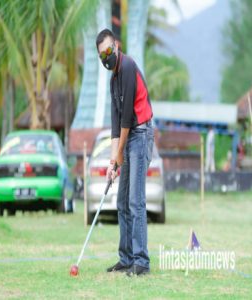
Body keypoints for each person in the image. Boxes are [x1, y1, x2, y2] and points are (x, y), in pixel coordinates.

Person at [96, 29, 154, 276]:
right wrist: (112, 161)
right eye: (102, 55)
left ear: (116, 46)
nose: (106, 57)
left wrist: (120, 155)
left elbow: (128, 120)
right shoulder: (113, 80)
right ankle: (126, 258)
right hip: (128, 137)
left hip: (140, 135)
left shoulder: (128, 66)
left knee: (135, 201)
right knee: (121, 202)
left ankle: (141, 261)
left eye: (108, 51)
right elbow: (115, 124)